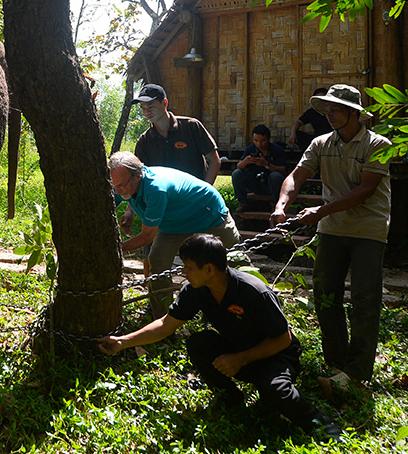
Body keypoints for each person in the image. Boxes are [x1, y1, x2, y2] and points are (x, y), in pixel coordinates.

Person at [97, 234, 342, 442]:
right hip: (236, 348)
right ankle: (230, 400)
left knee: (276, 393)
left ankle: (324, 426)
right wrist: (123, 341)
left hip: (274, 355)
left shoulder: (253, 291)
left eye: (188, 267)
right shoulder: (196, 289)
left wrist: (241, 359)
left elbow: (283, 340)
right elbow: (165, 324)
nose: (184, 272)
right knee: (198, 343)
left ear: (209, 269)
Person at [269, 84, 391, 400]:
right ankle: (337, 365)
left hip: (368, 231)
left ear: (354, 113)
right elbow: (296, 176)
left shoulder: (378, 145)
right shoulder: (321, 143)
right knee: (325, 296)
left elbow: (366, 189)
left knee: (365, 301)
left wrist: (320, 210)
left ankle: (357, 373)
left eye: (335, 108)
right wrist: (282, 204)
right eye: (327, 108)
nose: (329, 113)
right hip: (332, 230)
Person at [110, 151, 241, 318]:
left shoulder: (157, 188)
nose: (118, 190)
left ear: (138, 175)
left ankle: (255, 301)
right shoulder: (123, 182)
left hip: (208, 215)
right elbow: (106, 204)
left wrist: (114, 250)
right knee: (157, 263)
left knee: (235, 259)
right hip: (173, 224)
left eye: (122, 185)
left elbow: (146, 237)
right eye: (115, 186)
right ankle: (161, 317)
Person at [125, 83, 221, 274]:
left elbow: (214, 161)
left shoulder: (191, 127)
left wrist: (203, 193)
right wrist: (130, 211)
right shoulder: (145, 141)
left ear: (165, 103)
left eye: (151, 106)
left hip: (196, 206)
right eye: (143, 108)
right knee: (153, 258)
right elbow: (135, 180)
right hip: (161, 207)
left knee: (204, 257)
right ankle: (155, 302)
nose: (147, 112)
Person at [232, 124, 286, 209]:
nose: (259, 144)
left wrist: (266, 165)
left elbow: (283, 170)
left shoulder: (277, 150)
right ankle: (243, 204)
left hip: (272, 186)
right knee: (237, 173)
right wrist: (245, 161)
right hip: (255, 183)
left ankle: (274, 205)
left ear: (268, 139)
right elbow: (239, 167)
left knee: (275, 176)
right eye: (256, 140)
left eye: (263, 141)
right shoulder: (250, 149)